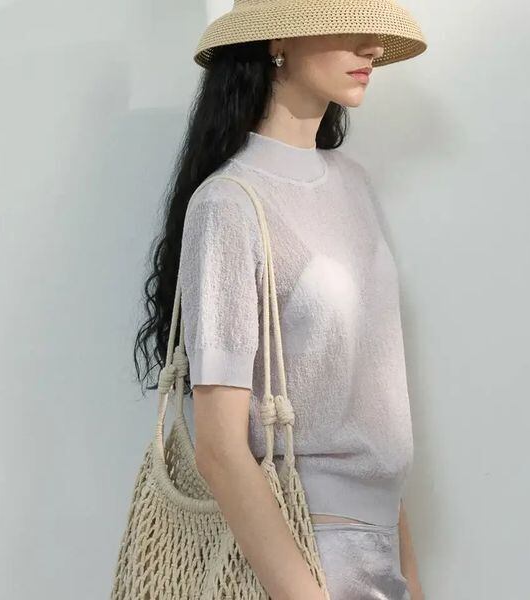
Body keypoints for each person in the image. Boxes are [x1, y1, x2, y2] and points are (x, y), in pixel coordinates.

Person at [134, 2, 428, 599]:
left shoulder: (353, 184)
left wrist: (412, 581)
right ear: (278, 41)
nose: (372, 47)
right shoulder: (228, 204)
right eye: (346, 22)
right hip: (303, 552)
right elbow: (220, 449)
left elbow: (371, 399)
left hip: (380, 553)